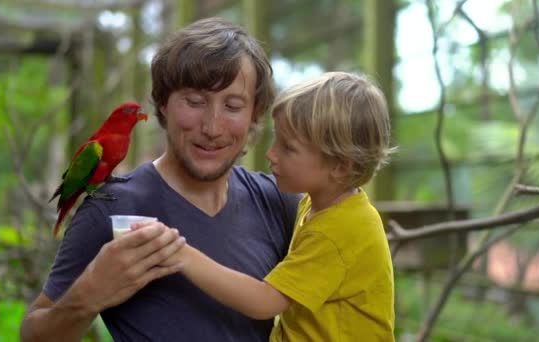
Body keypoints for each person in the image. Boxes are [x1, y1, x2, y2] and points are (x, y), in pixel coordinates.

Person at [20, 17, 299, 342]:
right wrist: (88, 294)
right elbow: (33, 336)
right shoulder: (110, 208)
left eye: (233, 106)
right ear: (163, 104)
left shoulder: (279, 201)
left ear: (255, 114)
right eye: (194, 102)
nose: (212, 127)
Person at [154, 71, 396, 341]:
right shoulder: (321, 205)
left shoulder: (339, 231)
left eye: (288, 148)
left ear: (340, 166)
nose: (271, 154)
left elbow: (265, 302)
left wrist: (180, 254)